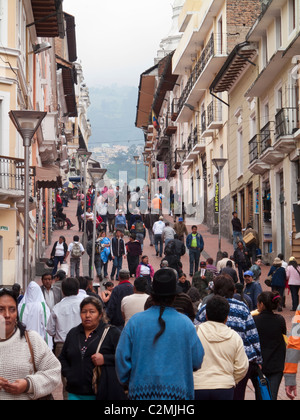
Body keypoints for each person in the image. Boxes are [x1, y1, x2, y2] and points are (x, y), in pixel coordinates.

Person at [115, 269, 205, 400]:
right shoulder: (186, 324)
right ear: (174, 296)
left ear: (152, 295)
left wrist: (130, 381)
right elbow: (197, 359)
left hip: (140, 393)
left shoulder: (135, 322)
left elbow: (121, 358)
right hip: (178, 395)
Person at [196, 275, 262, 401]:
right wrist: (258, 359)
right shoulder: (243, 308)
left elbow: (195, 333)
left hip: (210, 361)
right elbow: (253, 335)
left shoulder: (206, 308)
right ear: (233, 290)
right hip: (240, 362)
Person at [0, 288, 61, 401]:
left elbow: (54, 372)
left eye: (12, 309)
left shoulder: (31, 340)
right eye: (1, 309)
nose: (7, 315)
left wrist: (29, 384)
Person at [59, 297, 125, 401]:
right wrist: (69, 374)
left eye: (92, 312)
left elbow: (125, 357)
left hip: (101, 392)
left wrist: (105, 359)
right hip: (74, 392)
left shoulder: (112, 333)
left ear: (100, 315)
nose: (87, 315)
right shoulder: (73, 333)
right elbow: (62, 357)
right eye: (84, 312)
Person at [194, 296, 249, 401]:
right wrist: (230, 379)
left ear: (206, 315)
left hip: (198, 386)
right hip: (224, 387)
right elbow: (242, 367)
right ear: (226, 318)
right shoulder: (234, 337)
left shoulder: (195, 332)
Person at [46, 277, 86, 400]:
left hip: (62, 346)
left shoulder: (57, 307)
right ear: (78, 290)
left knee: (67, 381)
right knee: (86, 376)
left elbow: (50, 330)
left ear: (63, 291)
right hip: (85, 342)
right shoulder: (85, 304)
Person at [254, 292, 287, 400]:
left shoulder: (255, 321)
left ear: (262, 304)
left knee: (261, 395)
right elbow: (283, 337)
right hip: (276, 365)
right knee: (272, 396)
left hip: (259, 366)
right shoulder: (280, 320)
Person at [18, 281, 52, 350]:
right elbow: (47, 326)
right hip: (40, 342)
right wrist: (49, 346)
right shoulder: (42, 307)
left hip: (25, 342)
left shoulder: (21, 306)